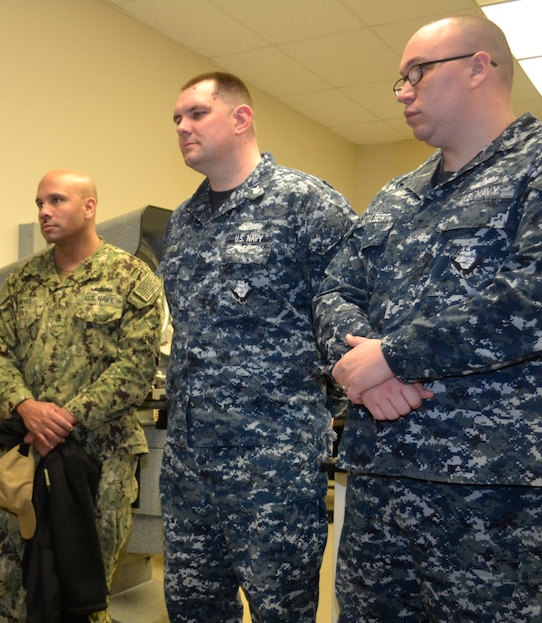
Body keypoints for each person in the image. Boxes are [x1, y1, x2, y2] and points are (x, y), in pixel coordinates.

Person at [313, 15, 542, 622]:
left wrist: (391, 357)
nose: (403, 91)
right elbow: (334, 290)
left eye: (417, 73)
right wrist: (356, 368)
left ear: (478, 67)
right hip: (381, 480)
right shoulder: (394, 197)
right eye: (399, 80)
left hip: (503, 492)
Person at [160, 72, 355, 622]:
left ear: (240, 119)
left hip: (273, 464)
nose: (182, 127)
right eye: (176, 119)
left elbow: (351, 319)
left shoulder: (307, 204)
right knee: (193, 607)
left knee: (281, 610)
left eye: (196, 113)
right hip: (188, 464)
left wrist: (311, 425)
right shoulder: (183, 222)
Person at [0, 169, 163, 622]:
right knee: (8, 579)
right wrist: (27, 408)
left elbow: (136, 369)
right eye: (39, 203)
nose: (44, 211)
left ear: (88, 207)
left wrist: (62, 419)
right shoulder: (23, 282)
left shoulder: (131, 279)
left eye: (56, 200)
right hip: (26, 456)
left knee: (85, 585)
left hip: (100, 460)